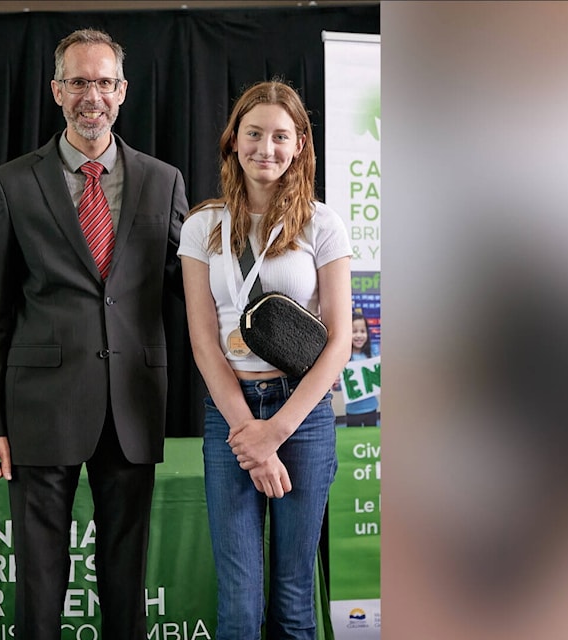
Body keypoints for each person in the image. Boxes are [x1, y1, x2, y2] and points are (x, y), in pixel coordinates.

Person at [0, 28, 188, 640]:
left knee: (125, 579)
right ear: (57, 90)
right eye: (80, 82)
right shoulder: (11, 183)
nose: (93, 95)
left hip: (133, 403)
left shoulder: (162, 181)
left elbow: (187, 289)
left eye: (105, 82)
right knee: (39, 584)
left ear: (123, 91)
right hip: (39, 409)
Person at [178, 80, 352, 639]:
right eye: (254, 134)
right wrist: (248, 433)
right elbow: (205, 344)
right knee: (239, 601)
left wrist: (274, 432)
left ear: (299, 144)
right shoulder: (202, 226)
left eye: (281, 136)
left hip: (301, 414)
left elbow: (340, 340)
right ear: (234, 141)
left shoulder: (322, 223)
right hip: (229, 414)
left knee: (296, 594)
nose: (266, 148)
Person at [344, 310, 380, 427]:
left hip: (371, 408)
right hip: (352, 411)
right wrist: (336, 384)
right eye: (354, 331)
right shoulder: (344, 358)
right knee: (353, 441)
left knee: (370, 441)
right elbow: (342, 386)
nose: (359, 335)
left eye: (362, 331)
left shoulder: (372, 354)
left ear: (367, 334)